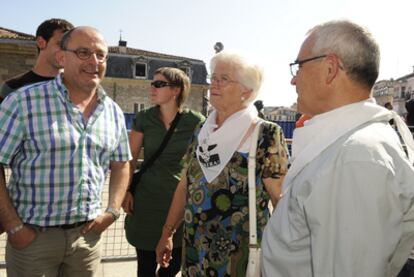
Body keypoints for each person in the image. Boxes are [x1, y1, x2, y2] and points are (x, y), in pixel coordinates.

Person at [262, 20, 414, 277]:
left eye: (298, 67)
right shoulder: (348, 144)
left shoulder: (355, 156)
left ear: (330, 68)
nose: (293, 80)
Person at [0, 26, 131, 277]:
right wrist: (14, 227)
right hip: (33, 240)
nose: (94, 61)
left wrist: (112, 211)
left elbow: (121, 163)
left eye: (101, 55)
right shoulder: (23, 101)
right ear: (61, 58)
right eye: (83, 52)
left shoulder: (112, 111)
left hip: (86, 241)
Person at [155, 51, 289, 276]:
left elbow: (280, 198)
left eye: (223, 79)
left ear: (246, 91)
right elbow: (186, 184)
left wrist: (286, 253)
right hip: (195, 250)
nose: (213, 85)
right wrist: (167, 232)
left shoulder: (265, 134)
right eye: (213, 78)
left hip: (239, 258)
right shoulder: (202, 130)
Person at [122, 67, 204, 277]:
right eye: (153, 83)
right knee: (146, 266)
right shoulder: (144, 118)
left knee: (174, 264)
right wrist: (126, 191)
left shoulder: (195, 122)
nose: (152, 88)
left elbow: (201, 164)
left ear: (176, 90)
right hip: (146, 201)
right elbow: (129, 158)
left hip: (178, 201)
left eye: (159, 84)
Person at [0, 18, 74, 103]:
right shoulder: (12, 87)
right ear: (41, 43)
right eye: (61, 44)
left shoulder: (77, 86)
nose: (67, 50)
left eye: (70, 45)